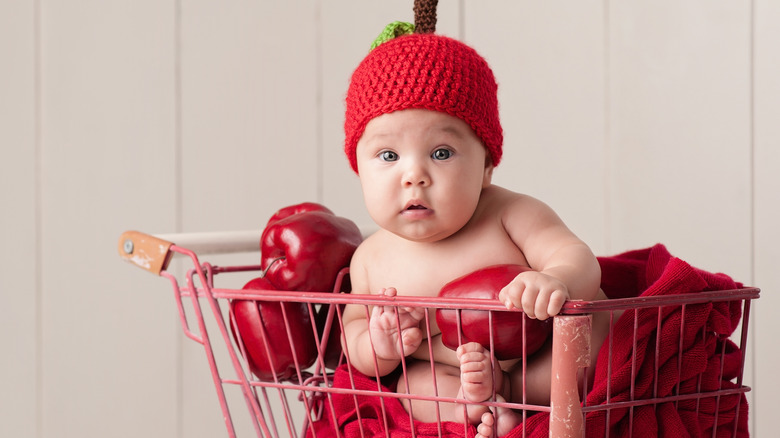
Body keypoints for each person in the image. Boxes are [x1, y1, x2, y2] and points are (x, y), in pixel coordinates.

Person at [340, 24, 611, 437]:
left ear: (486, 165)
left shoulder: (510, 213)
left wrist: (554, 279)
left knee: (584, 354)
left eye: (442, 153)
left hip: (534, 362)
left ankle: (510, 394)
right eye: (388, 155)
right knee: (412, 387)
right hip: (451, 374)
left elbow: (579, 258)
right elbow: (354, 336)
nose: (414, 175)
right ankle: (471, 407)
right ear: (359, 168)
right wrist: (379, 345)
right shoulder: (371, 259)